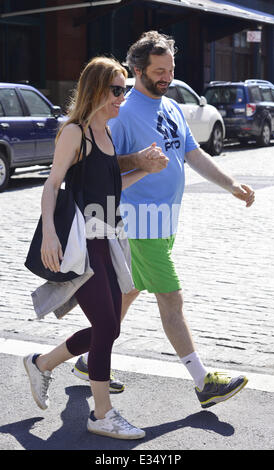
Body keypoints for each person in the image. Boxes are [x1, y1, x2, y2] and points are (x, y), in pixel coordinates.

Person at [72, 31, 255, 410]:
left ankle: (88, 360)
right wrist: (138, 160)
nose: (166, 76)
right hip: (137, 222)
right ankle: (204, 381)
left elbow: (193, 154)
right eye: (158, 70)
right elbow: (99, 167)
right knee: (171, 298)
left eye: (170, 69)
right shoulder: (120, 112)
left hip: (164, 222)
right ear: (137, 70)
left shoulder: (171, 108)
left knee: (127, 292)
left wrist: (231, 184)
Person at [23, 56, 168, 440]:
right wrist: (50, 234)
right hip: (79, 240)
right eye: (117, 90)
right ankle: (102, 414)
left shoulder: (105, 132)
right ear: (97, 90)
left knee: (111, 326)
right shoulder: (75, 132)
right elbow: (53, 185)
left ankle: (42, 363)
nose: (123, 97)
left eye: (124, 90)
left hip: (105, 237)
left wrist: (146, 170)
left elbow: (112, 189)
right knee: (106, 325)